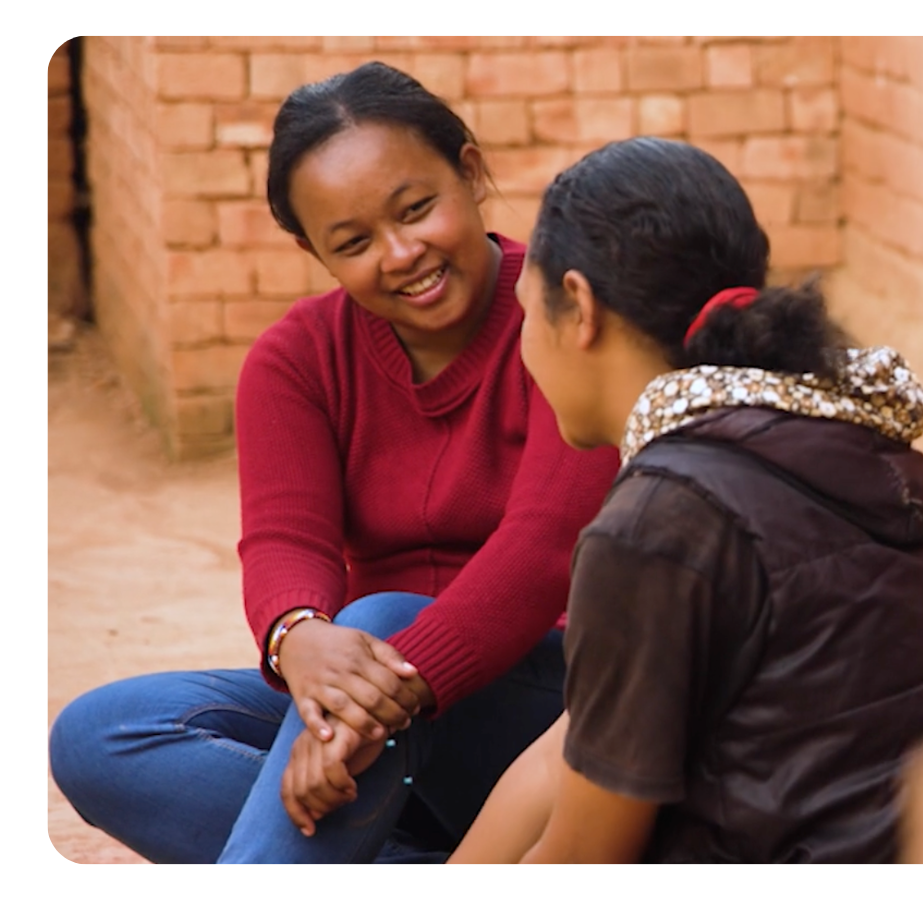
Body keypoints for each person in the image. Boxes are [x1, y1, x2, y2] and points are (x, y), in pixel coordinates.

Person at [48, 62, 617, 865]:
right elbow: (286, 540)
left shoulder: (565, 315)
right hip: (375, 722)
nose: (400, 253)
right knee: (101, 734)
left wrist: (374, 696)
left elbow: (542, 550)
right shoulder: (297, 359)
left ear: (470, 169)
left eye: (417, 209)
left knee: (383, 618)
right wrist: (299, 640)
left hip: (542, 712)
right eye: (352, 243)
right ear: (311, 249)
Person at [447, 137, 923, 865]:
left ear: (579, 305)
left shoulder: (658, 520)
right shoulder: (855, 444)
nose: (525, 344)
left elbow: (582, 854)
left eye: (526, 311)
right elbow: (565, 755)